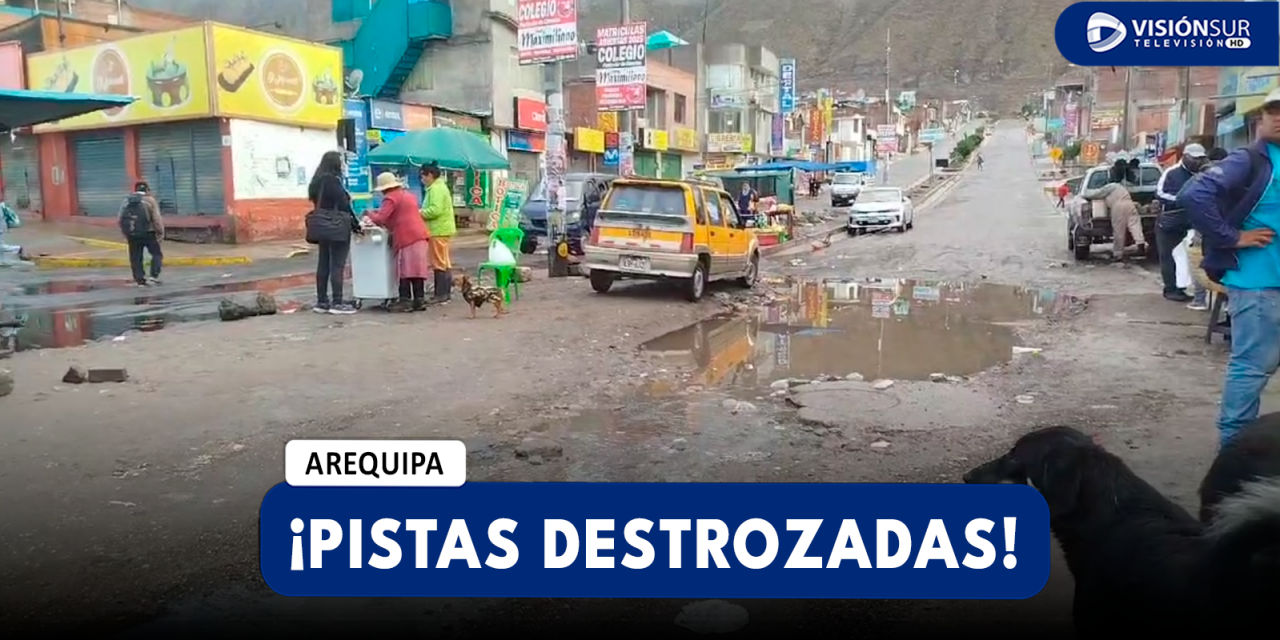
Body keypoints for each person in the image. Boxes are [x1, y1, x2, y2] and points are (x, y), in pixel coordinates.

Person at [1178, 87, 1280, 447]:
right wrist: (1231, 237)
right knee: (1252, 369)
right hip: (1259, 284)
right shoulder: (1248, 160)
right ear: (1260, 118)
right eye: (1274, 111)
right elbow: (1194, 194)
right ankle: (1232, 460)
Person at [364, 171, 431, 312]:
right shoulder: (408, 195)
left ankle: (405, 301)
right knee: (417, 269)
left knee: (405, 270)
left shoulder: (390, 198)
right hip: (420, 235)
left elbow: (381, 218)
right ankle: (419, 300)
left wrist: (368, 213)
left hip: (407, 237)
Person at [307, 151, 360, 314]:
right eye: (342, 162)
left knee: (323, 263)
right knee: (337, 264)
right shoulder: (333, 181)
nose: (344, 165)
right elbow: (344, 206)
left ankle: (322, 301)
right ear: (335, 164)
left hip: (322, 227)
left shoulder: (316, 182)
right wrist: (356, 225)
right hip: (337, 227)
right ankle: (337, 302)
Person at [1155, 143, 1208, 302]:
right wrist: (1181, 200)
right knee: (1168, 256)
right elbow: (1160, 193)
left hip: (1193, 222)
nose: (1198, 162)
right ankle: (1171, 289)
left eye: (1201, 159)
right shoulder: (1171, 173)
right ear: (1185, 157)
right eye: (1195, 158)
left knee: (1189, 257)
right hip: (1170, 222)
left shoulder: (1202, 173)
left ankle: (1183, 288)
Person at [1185, 147, 1232, 311]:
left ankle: (1199, 300)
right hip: (1234, 230)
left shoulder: (1203, 177)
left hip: (1206, 231)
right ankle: (1228, 303)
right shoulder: (1238, 175)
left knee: (1200, 264)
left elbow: (1183, 197)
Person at [1081, 165, 1146, 261]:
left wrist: (1085, 195)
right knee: (1134, 225)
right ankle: (1140, 244)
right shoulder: (1122, 187)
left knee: (1119, 230)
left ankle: (1118, 254)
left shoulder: (1110, 186)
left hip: (1118, 207)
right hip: (1130, 205)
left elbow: (1096, 194)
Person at [420, 162, 456, 304]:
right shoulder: (438, 187)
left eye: (423, 176)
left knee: (439, 262)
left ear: (429, 175)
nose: (422, 179)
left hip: (438, 229)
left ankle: (441, 294)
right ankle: (444, 293)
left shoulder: (436, 189)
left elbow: (435, 210)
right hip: (442, 229)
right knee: (443, 261)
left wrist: (419, 213)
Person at [118, 181, 164, 286]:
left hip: (132, 234)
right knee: (156, 254)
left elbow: (120, 218)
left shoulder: (126, 200)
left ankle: (139, 279)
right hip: (148, 233)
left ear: (135, 190)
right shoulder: (150, 200)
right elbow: (156, 218)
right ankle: (153, 276)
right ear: (147, 190)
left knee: (135, 257)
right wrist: (160, 232)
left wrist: (126, 232)